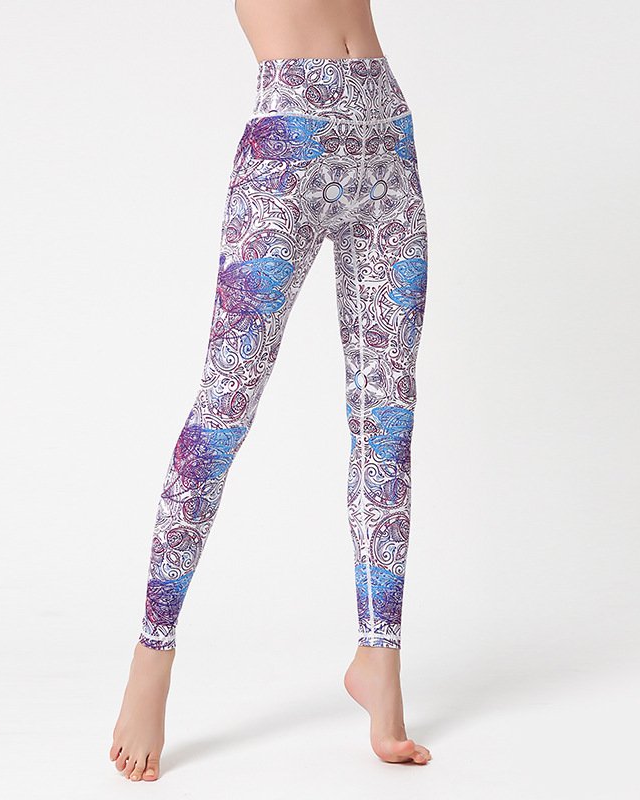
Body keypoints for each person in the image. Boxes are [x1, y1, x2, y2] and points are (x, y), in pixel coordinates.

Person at [110, 0, 431, 780]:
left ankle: (380, 664)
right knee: (223, 406)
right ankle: (152, 655)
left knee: (387, 416)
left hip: (387, 137)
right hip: (288, 143)